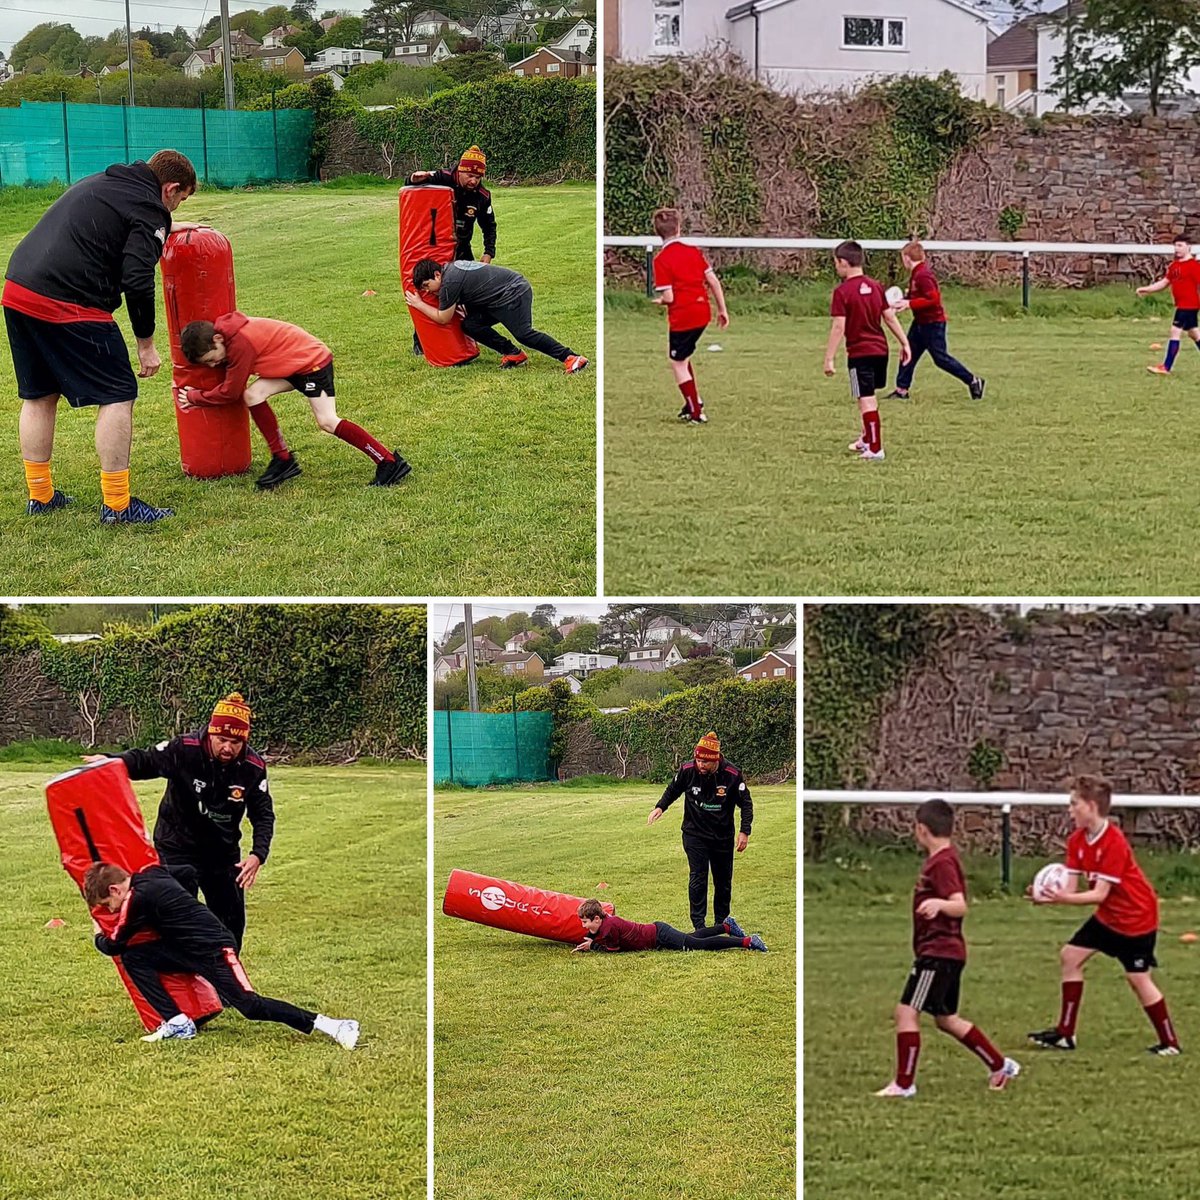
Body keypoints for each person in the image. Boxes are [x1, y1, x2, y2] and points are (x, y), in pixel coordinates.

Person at [4, 150, 198, 522]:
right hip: (67, 300)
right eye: (180, 199)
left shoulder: (111, 182)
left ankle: (40, 496)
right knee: (117, 393)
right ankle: (118, 505)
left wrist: (168, 225)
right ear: (170, 188)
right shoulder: (150, 207)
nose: (173, 208)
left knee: (39, 394)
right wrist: (146, 344)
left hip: (19, 289)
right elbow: (137, 279)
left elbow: (129, 222)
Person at [84, 861, 359, 1048]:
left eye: (108, 904)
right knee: (137, 957)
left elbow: (114, 945)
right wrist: (182, 908)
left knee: (250, 1007)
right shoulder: (152, 872)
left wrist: (98, 931)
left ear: (115, 889)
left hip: (214, 950)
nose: (109, 911)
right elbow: (188, 872)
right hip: (184, 948)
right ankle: (178, 1023)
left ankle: (334, 1026)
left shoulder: (135, 900)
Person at [83, 693, 273, 951]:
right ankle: (182, 982)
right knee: (176, 921)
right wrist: (113, 760)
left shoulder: (252, 766)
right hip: (176, 846)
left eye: (236, 742)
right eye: (222, 740)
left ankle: (227, 982)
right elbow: (147, 760)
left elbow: (262, 814)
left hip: (222, 853)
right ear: (210, 733)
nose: (228, 747)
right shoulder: (185, 749)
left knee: (230, 927)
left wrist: (257, 855)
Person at [875, 799, 1020, 1098]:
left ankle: (904, 1084)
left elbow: (960, 905)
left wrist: (939, 904)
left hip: (938, 953)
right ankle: (999, 1065)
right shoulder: (944, 859)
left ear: (921, 829)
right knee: (946, 1019)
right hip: (948, 953)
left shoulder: (941, 863)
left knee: (905, 1012)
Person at [1027, 774, 1181, 1056]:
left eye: (1074, 804)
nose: (1069, 810)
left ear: (1092, 806)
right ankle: (1065, 1034)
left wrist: (1063, 899)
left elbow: (1098, 894)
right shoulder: (1076, 840)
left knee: (1138, 979)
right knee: (1070, 957)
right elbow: (1071, 888)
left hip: (1136, 917)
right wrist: (1047, 895)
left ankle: (1169, 1043)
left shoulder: (1114, 842)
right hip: (1108, 916)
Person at [177, 313, 411, 489]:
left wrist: (193, 397)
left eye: (211, 358)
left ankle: (388, 461)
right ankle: (283, 459)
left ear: (218, 339)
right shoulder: (228, 335)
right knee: (253, 395)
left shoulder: (239, 344)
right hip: (293, 366)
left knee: (327, 421)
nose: (213, 365)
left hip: (312, 364)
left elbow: (230, 392)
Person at [647, 731, 752, 931]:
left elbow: (746, 804)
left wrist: (744, 831)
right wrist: (660, 807)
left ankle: (721, 923)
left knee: (723, 880)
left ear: (715, 760)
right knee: (698, 876)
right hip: (694, 834)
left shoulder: (732, 774)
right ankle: (699, 926)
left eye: (705, 761)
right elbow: (673, 789)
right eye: (698, 759)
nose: (700, 765)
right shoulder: (688, 770)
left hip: (722, 836)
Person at [406, 259, 588, 374]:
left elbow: (443, 318)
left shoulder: (449, 282)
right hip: (498, 297)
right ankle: (513, 353)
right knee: (471, 324)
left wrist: (419, 304)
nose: (426, 291)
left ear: (437, 275)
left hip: (512, 293)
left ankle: (571, 357)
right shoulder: (450, 270)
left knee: (523, 333)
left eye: (426, 286)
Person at [405, 145, 497, 356]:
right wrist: (413, 178)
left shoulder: (482, 196)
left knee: (473, 297)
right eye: (470, 175)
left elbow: (489, 226)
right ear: (460, 170)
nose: (473, 180)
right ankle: (421, 342)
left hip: (462, 251)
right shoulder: (443, 178)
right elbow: (410, 186)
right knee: (430, 294)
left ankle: (472, 339)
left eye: (478, 176)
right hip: (436, 251)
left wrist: (488, 253)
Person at [824, 240, 911, 461]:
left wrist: (829, 358)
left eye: (836, 263)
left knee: (865, 398)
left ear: (843, 262)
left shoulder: (842, 292)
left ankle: (876, 447)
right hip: (880, 351)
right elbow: (889, 317)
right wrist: (904, 342)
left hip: (859, 353)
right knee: (867, 395)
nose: (836, 267)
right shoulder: (876, 286)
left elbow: (838, 326)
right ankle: (866, 437)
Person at [650, 207, 729, 424]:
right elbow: (713, 281)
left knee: (677, 362)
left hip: (683, 316)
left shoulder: (662, 259)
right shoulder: (693, 251)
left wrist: (661, 301)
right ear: (679, 228)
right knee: (684, 357)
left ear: (658, 232)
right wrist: (722, 309)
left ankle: (696, 411)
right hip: (703, 311)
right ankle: (692, 401)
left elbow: (670, 296)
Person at [884, 241, 984, 401]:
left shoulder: (923, 274)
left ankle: (973, 380)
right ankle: (901, 389)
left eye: (903, 258)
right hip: (920, 322)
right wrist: (903, 302)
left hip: (933, 323)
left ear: (907, 258)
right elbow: (919, 296)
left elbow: (933, 299)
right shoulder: (917, 273)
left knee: (940, 359)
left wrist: (910, 303)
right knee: (908, 352)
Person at [572, 898, 766, 953]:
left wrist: (593, 946)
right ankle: (726, 927)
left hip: (659, 935)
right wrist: (592, 940)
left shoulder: (608, 927)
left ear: (597, 918)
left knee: (696, 945)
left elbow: (614, 949)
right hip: (658, 935)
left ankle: (747, 941)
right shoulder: (605, 923)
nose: (583, 926)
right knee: (693, 937)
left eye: (585, 922)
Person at [1138, 235, 1200, 375]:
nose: (1177, 249)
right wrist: (1147, 289)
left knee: (1175, 332)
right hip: (1183, 305)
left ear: (1188, 247)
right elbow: (1165, 283)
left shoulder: (1194, 266)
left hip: (1189, 305)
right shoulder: (1174, 266)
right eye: (1175, 246)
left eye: (1180, 245)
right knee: (1194, 334)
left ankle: (1166, 367)